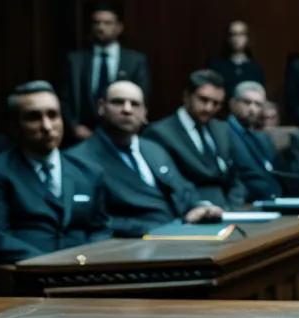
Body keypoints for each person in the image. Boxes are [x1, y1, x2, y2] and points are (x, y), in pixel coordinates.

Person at [0, 81, 113, 294]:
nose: (47, 126)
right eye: (34, 117)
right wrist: (52, 265)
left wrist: (82, 262)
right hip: (18, 281)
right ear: (14, 125)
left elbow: (101, 229)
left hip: (83, 279)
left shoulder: (89, 172)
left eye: (53, 115)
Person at [68, 81, 221, 238]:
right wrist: (160, 228)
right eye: (118, 102)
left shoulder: (153, 148)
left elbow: (182, 189)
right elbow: (93, 220)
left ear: (144, 114)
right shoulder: (79, 159)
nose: (127, 109)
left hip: (179, 234)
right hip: (133, 243)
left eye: (135, 104)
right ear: (101, 106)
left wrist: (199, 206)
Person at [143, 70, 253, 205]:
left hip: (230, 209)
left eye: (216, 103)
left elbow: (236, 178)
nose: (209, 108)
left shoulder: (222, 129)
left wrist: (234, 207)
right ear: (187, 96)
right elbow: (170, 185)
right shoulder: (160, 133)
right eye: (203, 100)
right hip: (191, 211)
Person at [60, 4, 151, 142]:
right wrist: (74, 126)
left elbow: (141, 96)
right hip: (81, 136)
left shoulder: (135, 61)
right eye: (96, 23)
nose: (101, 27)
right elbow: (64, 98)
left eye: (107, 23)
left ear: (119, 27)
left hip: (121, 134)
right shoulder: (75, 60)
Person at [224, 81, 282, 200]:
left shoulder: (262, 137)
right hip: (245, 202)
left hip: (272, 200)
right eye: (247, 102)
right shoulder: (223, 132)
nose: (252, 109)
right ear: (233, 103)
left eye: (258, 104)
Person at [205, 20, 267, 90]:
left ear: (247, 38)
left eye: (241, 34)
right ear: (228, 38)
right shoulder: (216, 65)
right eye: (233, 34)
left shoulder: (256, 69)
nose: (237, 38)